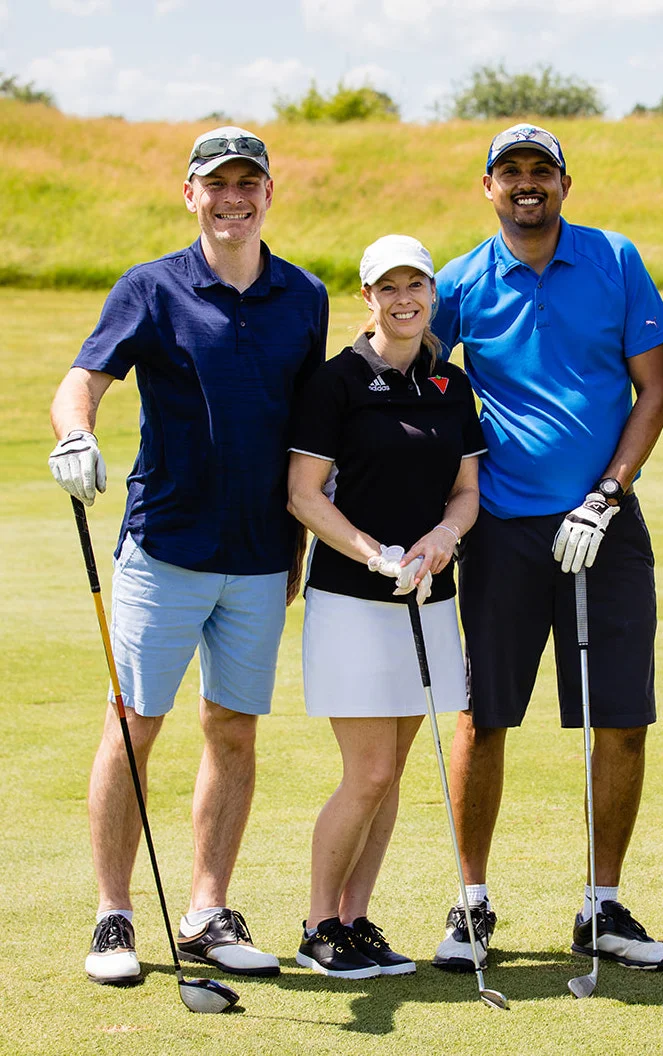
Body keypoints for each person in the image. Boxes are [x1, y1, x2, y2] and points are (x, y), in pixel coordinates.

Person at [48, 126, 329, 985]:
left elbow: (306, 429)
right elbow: (83, 381)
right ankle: (115, 915)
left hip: (260, 555)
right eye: (217, 184)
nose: (232, 199)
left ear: (269, 193)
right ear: (190, 195)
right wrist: (75, 434)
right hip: (165, 546)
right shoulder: (150, 288)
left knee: (233, 729)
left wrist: (298, 541)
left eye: (248, 183)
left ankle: (208, 912)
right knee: (133, 724)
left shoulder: (304, 296)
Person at [429, 123, 663, 973]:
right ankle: (471, 904)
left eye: (542, 170)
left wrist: (608, 493)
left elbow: (655, 390)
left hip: (604, 524)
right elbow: (413, 369)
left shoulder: (614, 259)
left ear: (565, 184)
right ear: (488, 187)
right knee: (483, 718)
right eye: (511, 172)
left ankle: (602, 907)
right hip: (500, 529)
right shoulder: (460, 281)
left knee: (622, 720)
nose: (526, 183)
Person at [286, 234, 485, 978]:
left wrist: (443, 537)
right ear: (367, 297)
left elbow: (465, 492)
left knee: (391, 774)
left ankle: (355, 918)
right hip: (353, 601)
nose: (404, 300)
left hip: (428, 598)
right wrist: (373, 553)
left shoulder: (449, 383)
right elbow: (304, 494)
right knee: (368, 773)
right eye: (388, 287)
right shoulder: (336, 382)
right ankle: (317, 927)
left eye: (416, 286)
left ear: (433, 293)